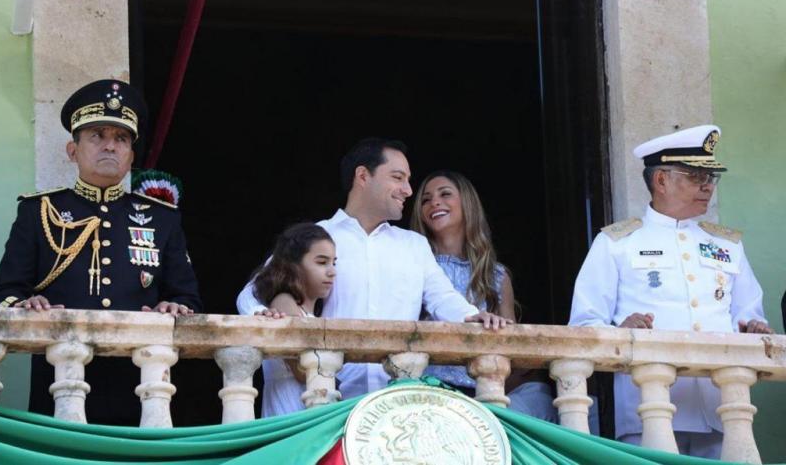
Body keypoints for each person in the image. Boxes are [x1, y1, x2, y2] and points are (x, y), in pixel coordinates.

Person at [0, 79, 202, 425]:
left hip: (139, 388)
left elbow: (188, 298)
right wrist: (26, 305)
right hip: (57, 385)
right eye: (97, 136)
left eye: (121, 139)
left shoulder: (162, 220)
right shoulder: (39, 211)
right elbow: (4, 294)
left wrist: (176, 306)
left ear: (131, 156)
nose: (110, 147)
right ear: (73, 150)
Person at [238, 138, 511, 400]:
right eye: (397, 177)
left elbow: (443, 298)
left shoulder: (413, 245)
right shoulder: (315, 236)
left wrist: (474, 316)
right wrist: (264, 313)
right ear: (363, 176)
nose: (408, 189)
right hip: (328, 400)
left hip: (395, 402)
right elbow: (252, 294)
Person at [568, 124, 772, 458]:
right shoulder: (616, 243)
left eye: (711, 177)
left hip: (722, 406)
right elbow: (583, 325)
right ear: (661, 180)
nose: (707, 186)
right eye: (695, 176)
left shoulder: (726, 244)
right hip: (649, 407)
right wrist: (620, 332)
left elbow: (749, 314)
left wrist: (753, 328)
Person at [410, 170, 557, 422]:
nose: (434, 202)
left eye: (445, 194)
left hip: (483, 394)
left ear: (467, 204)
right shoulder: (412, 264)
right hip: (427, 390)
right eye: (426, 199)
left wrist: (499, 328)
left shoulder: (496, 275)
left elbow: (511, 349)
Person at [253, 223, 336, 417]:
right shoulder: (284, 301)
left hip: (308, 409)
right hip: (290, 411)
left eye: (334, 263)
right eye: (322, 262)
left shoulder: (311, 312)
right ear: (294, 266)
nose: (332, 271)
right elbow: (303, 370)